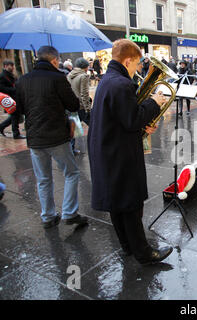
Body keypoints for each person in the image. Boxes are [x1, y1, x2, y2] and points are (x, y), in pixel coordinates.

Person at [87, 39, 173, 265]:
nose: (138, 70)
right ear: (127, 61)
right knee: (131, 203)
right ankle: (143, 253)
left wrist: (145, 121)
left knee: (117, 202)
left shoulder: (108, 80)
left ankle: (128, 246)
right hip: (120, 154)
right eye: (136, 64)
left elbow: (124, 118)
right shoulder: (121, 84)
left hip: (108, 149)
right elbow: (132, 118)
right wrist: (153, 103)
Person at [14, 45, 88, 229]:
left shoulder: (23, 80)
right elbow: (73, 104)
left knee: (43, 178)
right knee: (71, 173)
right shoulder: (57, 78)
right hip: (56, 136)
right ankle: (70, 212)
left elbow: (19, 110)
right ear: (54, 60)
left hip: (35, 138)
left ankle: (48, 215)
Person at [0, 60, 25, 139]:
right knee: (15, 115)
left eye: (13, 65)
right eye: (11, 65)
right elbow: (2, 88)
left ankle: (1, 127)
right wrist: (14, 89)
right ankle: (16, 133)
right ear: (5, 66)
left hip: (15, 97)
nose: (13, 67)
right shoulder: (2, 76)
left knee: (15, 115)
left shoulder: (11, 75)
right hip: (10, 99)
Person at [67, 57, 92, 126]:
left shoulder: (70, 75)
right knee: (94, 125)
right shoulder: (83, 76)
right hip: (81, 105)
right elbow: (84, 94)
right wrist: (88, 109)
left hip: (72, 105)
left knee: (75, 126)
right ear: (85, 66)